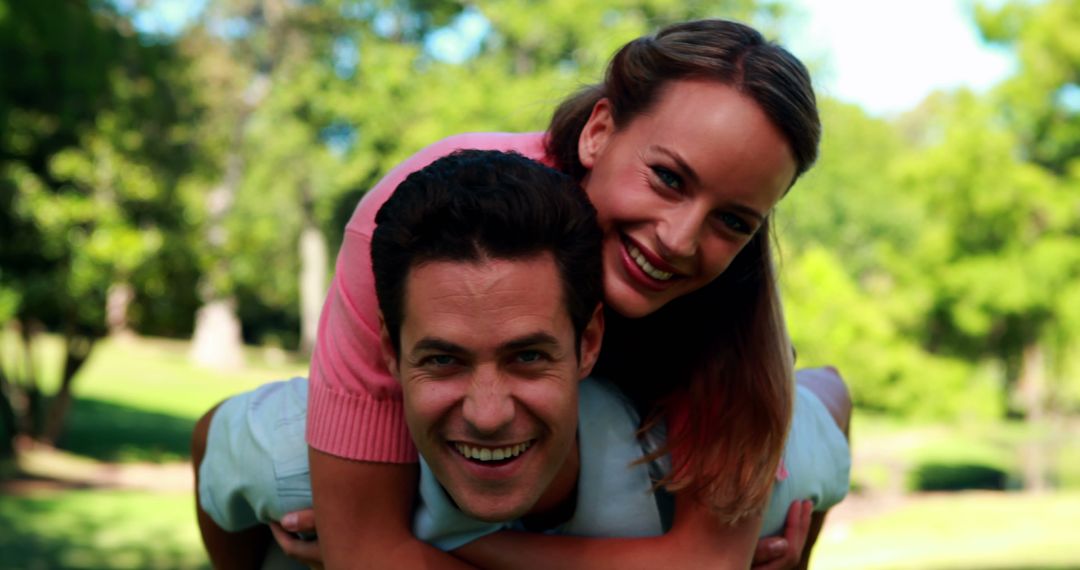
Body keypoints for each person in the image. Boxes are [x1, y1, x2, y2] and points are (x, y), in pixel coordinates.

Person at [289, 18, 848, 569]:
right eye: (669, 178)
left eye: (733, 220)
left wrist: (443, 541)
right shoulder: (426, 231)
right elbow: (363, 550)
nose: (679, 240)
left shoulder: (733, 291)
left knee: (818, 420)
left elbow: (706, 560)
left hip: (650, 434)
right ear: (599, 131)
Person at [192, 151, 849, 569]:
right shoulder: (299, 469)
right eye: (443, 360)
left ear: (588, 343)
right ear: (388, 353)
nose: (486, 412)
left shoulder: (714, 474)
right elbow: (211, 443)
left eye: (528, 357)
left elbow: (831, 393)